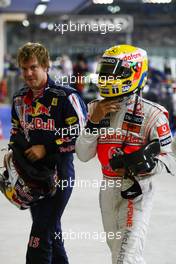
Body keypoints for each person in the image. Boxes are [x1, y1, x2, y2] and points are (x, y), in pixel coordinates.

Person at [75, 44, 176, 264]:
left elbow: (170, 159)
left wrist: (145, 165)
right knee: (120, 254)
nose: (108, 77)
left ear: (135, 72)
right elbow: (82, 155)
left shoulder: (154, 114)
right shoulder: (94, 108)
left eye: (115, 72)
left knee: (125, 258)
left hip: (138, 190)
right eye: (105, 71)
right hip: (107, 190)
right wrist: (93, 122)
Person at [3, 42, 86, 264]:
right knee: (52, 235)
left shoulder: (67, 96)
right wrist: (12, 154)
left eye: (33, 67)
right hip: (32, 177)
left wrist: (47, 147)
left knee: (39, 238)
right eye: (24, 68)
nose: (28, 73)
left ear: (46, 66)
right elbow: (16, 130)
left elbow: (80, 133)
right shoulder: (19, 98)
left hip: (59, 175)